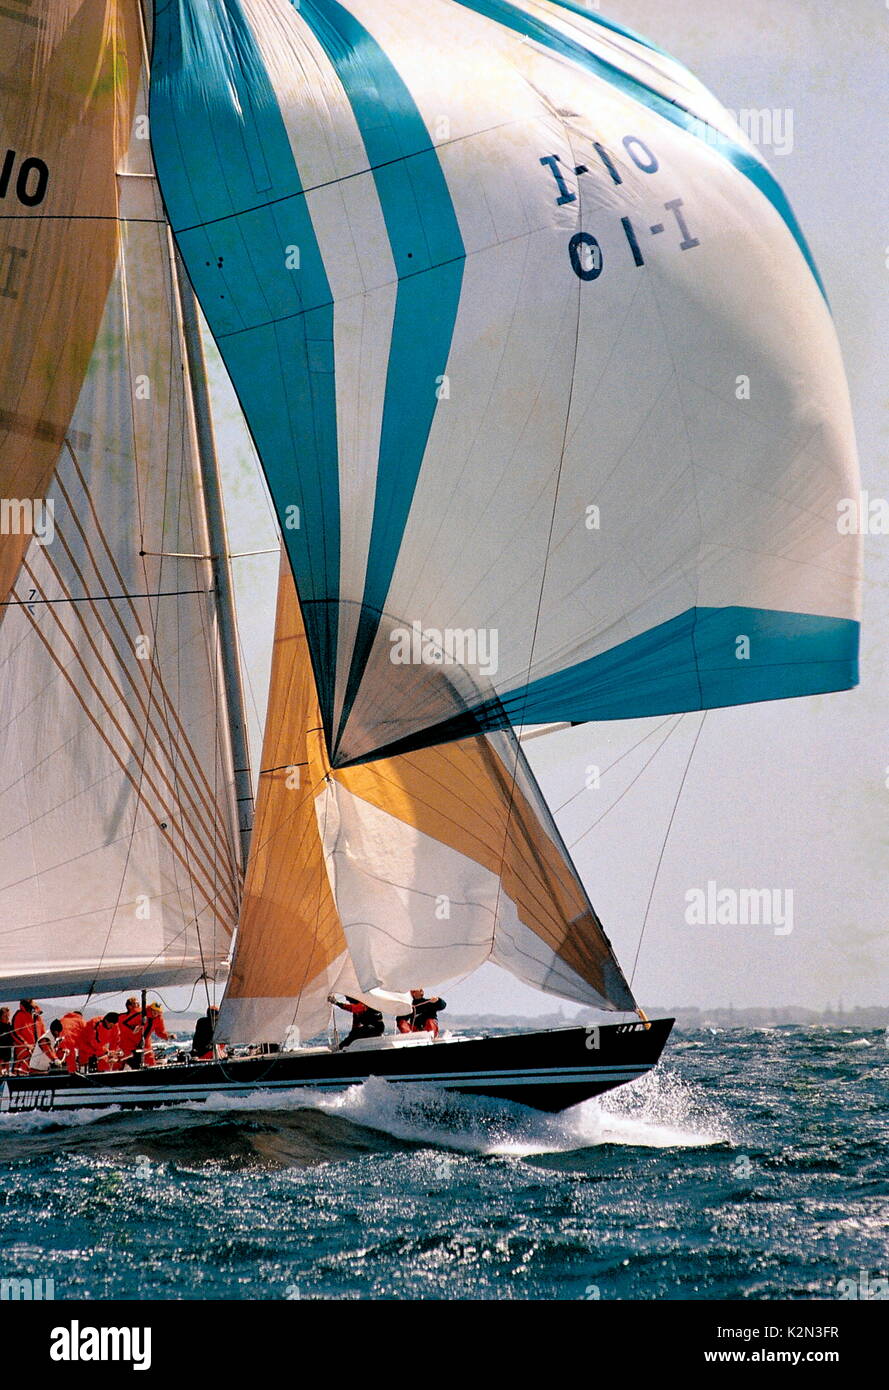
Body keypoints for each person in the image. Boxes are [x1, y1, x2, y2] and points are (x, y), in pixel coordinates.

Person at [11, 999, 57, 1074]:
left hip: (36, 1053)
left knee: (36, 1071)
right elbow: (15, 1033)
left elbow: (43, 1035)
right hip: (23, 1052)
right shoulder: (19, 1015)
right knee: (21, 1072)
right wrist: (26, 1044)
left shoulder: (38, 1018)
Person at [142, 1001, 170, 1066]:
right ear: (150, 1009)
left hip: (146, 1040)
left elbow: (160, 1032)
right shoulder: (142, 1014)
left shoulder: (159, 1019)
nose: (155, 1013)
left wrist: (167, 1036)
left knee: (150, 1059)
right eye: (154, 1010)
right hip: (133, 1039)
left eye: (157, 1011)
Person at [0, 1006, 14, 1075]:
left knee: (7, 1059)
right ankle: (1, 1073)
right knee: (1, 1059)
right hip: (1, 1045)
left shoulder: (9, 1025)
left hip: (8, 1045)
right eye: (5, 1016)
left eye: (8, 1016)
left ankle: (8, 1073)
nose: (7, 1018)